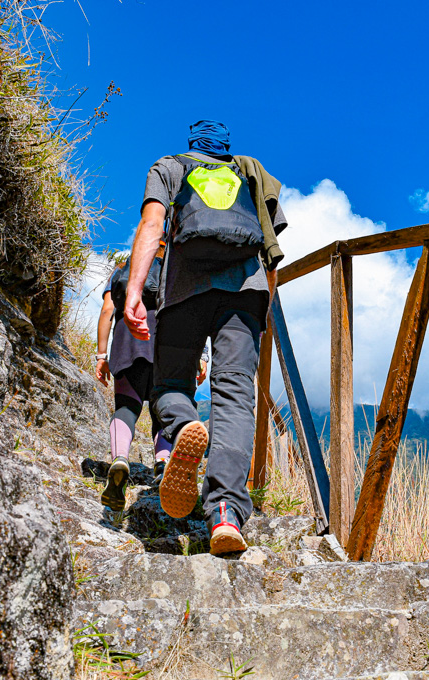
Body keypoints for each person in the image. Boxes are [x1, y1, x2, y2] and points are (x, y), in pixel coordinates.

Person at [123, 120, 287, 555]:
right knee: (234, 395)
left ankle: (184, 430)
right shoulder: (251, 171)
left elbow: (153, 223)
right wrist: (262, 303)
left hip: (183, 294)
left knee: (170, 386)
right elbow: (271, 246)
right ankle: (226, 514)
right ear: (225, 146)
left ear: (192, 143)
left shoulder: (169, 166)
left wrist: (135, 292)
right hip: (246, 294)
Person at [92, 250, 207, 511]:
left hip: (127, 337)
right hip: (164, 341)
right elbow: (191, 311)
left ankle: (120, 458)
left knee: (126, 407)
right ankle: (163, 464)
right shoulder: (173, 267)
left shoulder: (124, 269)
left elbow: (107, 310)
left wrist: (101, 355)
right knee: (162, 411)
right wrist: (200, 354)